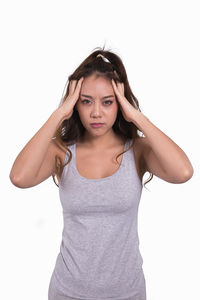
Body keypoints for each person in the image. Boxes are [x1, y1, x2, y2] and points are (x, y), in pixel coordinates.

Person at [9, 47, 194, 300]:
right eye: (86, 101)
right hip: (67, 292)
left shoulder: (137, 150)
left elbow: (183, 172)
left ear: (120, 102)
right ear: (75, 104)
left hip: (127, 292)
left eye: (108, 102)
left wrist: (136, 116)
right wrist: (59, 113)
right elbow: (19, 178)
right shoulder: (61, 151)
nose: (96, 112)